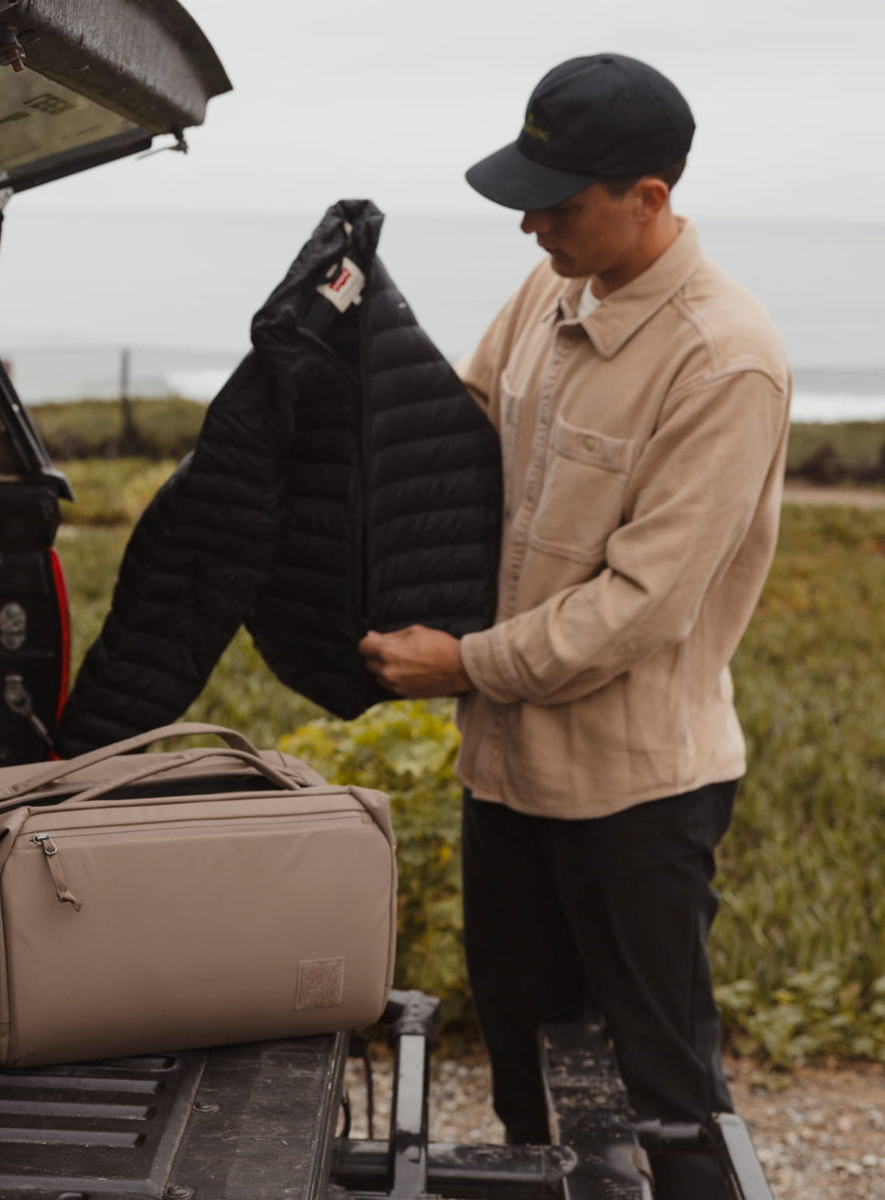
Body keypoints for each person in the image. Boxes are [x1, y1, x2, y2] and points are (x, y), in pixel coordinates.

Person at [358, 53, 790, 1198]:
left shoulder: (724, 358)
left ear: (649, 197)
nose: (531, 225)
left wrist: (464, 662)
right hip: (507, 775)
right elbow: (461, 430)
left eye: (560, 202)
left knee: (665, 1094)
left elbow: (642, 609)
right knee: (529, 1071)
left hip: (635, 796)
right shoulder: (553, 294)